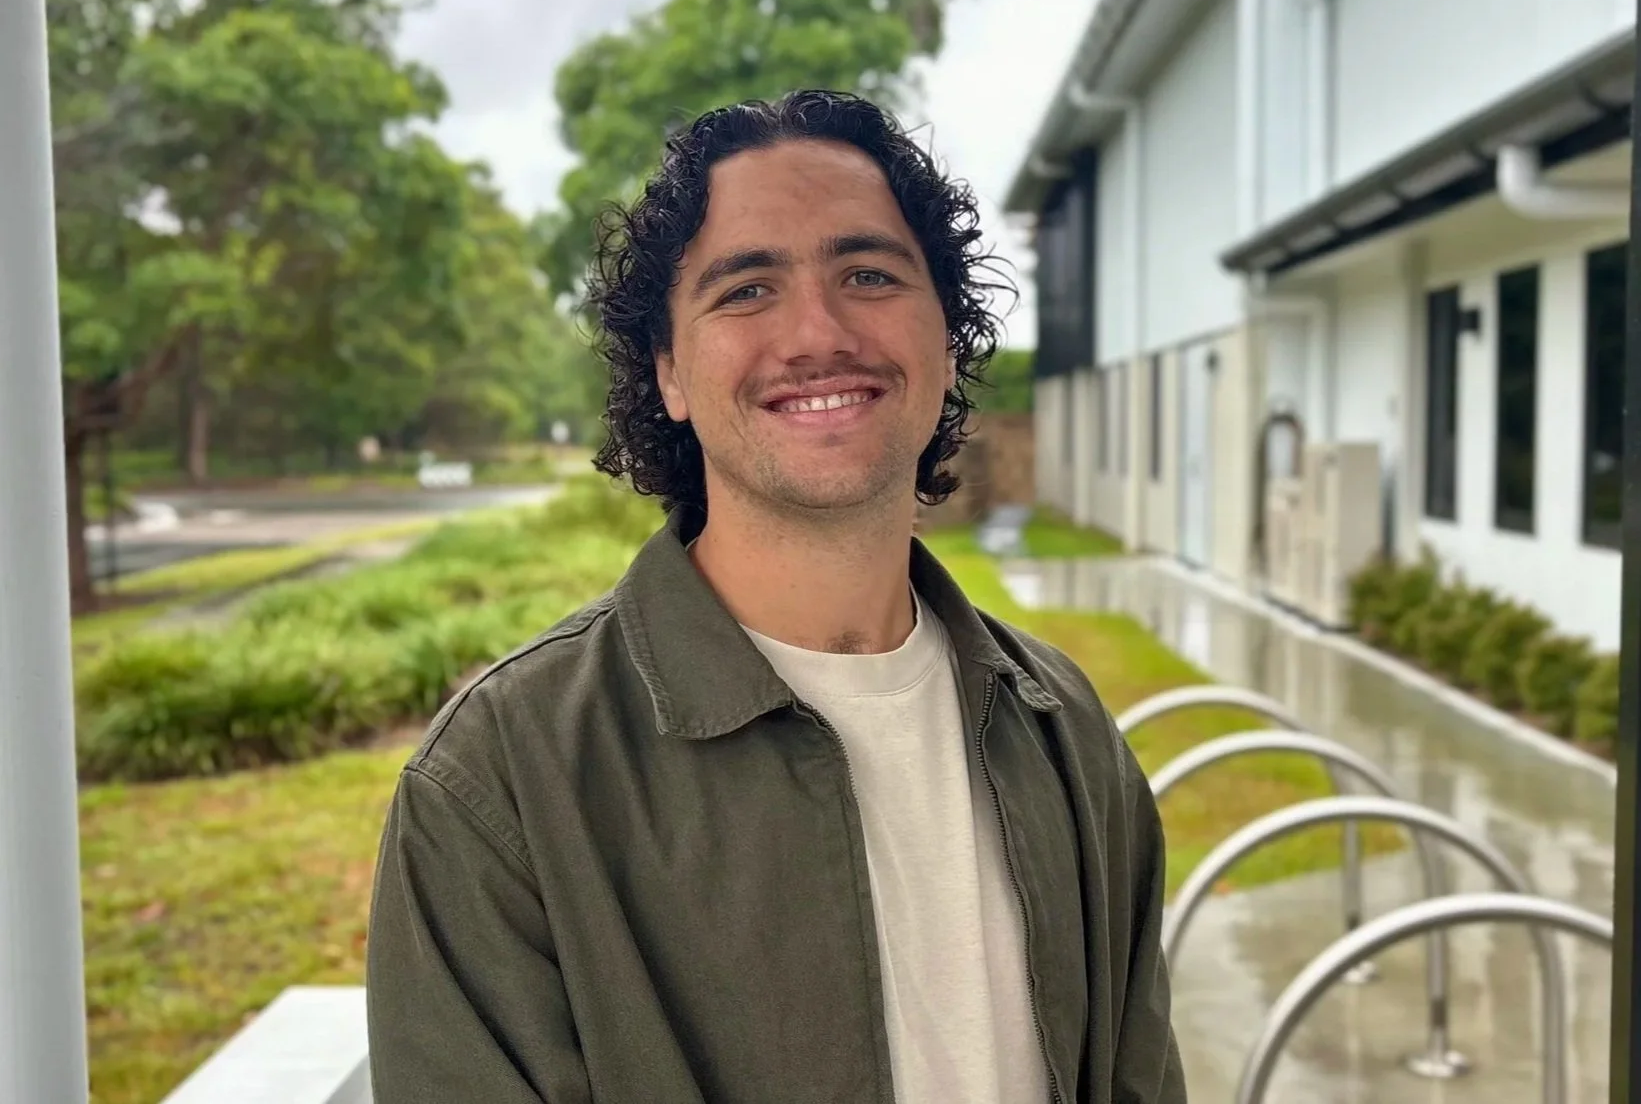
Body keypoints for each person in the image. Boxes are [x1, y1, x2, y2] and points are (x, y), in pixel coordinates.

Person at [365, 89, 1187, 1104]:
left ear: (946, 339)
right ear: (670, 372)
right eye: (747, 289)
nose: (816, 331)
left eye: (868, 273)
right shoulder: (501, 786)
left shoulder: (1064, 732)